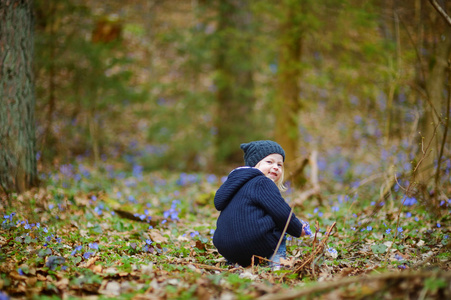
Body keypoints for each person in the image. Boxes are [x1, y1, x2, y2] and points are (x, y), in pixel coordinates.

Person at [213, 140, 310, 268]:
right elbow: (282, 213)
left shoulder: (234, 183)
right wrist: (298, 229)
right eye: (269, 162)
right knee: (281, 223)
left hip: (225, 247)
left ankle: (235, 263)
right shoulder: (262, 182)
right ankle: (277, 263)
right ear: (255, 164)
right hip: (252, 244)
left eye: (280, 164)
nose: (276, 167)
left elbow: (218, 202)